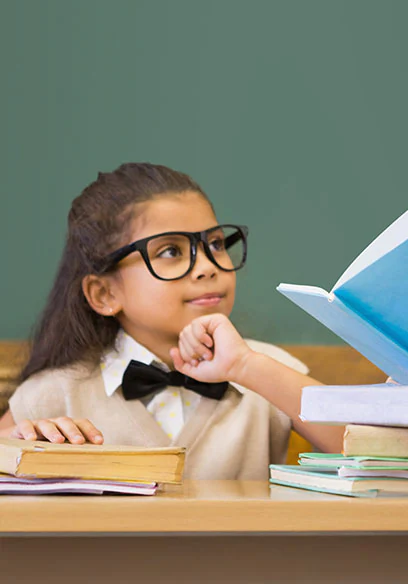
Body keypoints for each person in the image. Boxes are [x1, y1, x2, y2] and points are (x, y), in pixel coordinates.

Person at [0, 162, 344, 478]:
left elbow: (369, 451)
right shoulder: (55, 392)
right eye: (170, 251)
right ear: (105, 294)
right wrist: (22, 444)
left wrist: (245, 367)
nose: (209, 266)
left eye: (216, 244)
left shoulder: (267, 372)